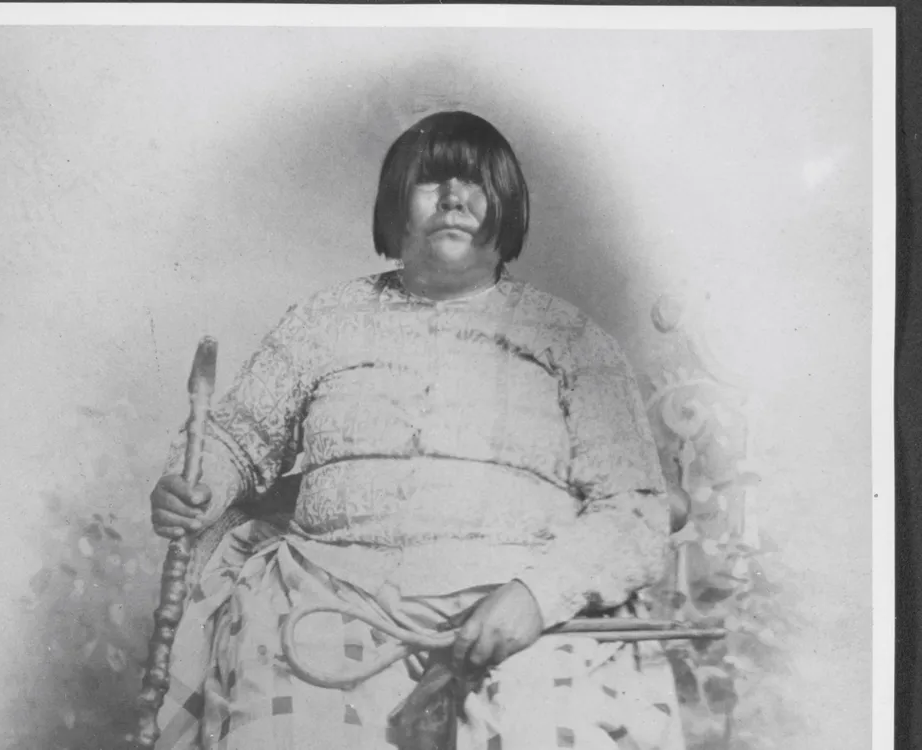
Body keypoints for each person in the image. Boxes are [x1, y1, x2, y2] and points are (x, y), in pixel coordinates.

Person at [151, 111, 682, 750]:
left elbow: (636, 508)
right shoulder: (323, 322)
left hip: (520, 618)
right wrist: (197, 482)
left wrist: (537, 597)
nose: (456, 198)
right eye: (432, 181)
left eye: (477, 184)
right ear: (396, 204)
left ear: (507, 207)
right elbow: (235, 438)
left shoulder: (572, 340)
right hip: (327, 601)